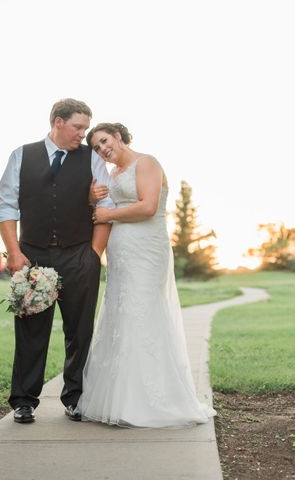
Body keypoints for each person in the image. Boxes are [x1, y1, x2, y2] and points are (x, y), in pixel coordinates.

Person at [78, 122, 216, 427]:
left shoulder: (147, 163)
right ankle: (119, 398)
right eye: (97, 148)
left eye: (104, 141)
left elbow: (148, 207)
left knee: (144, 313)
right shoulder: (112, 175)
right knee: (120, 315)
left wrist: (109, 214)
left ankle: (151, 399)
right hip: (120, 252)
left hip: (146, 249)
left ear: (118, 136)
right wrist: (93, 199)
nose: (102, 149)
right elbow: (101, 208)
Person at [0, 99, 113, 424]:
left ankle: (75, 398)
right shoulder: (21, 155)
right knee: (31, 330)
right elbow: (6, 208)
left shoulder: (91, 159)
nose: (83, 135)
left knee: (80, 331)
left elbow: (106, 209)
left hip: (79, 255)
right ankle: (23, 401)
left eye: (86, 128)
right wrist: (14, 253)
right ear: (58, 122)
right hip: (32, 254)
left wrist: (93, 255)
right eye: (78, 127)